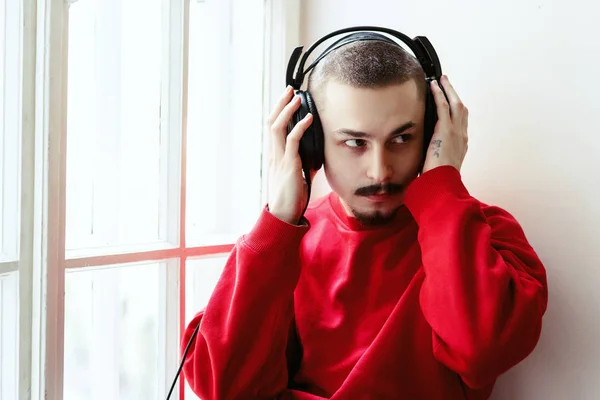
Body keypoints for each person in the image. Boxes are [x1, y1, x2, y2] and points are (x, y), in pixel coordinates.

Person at [180, 31, 548, 400]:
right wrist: (278, 219)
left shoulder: (487, 235)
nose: (380, 171)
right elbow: (224, 388)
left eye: (402, 139)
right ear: (310, 141)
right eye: (355, 142)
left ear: (437, 130)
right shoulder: (282, 244)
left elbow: (486, 352)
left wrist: (442, 189)